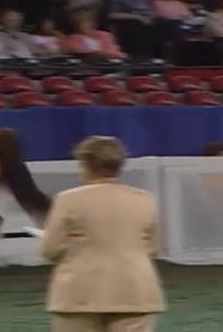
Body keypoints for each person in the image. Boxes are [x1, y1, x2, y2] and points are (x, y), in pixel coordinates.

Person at [41, 136, 166, 332]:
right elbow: (153, 248)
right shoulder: (145, 200)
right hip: (134, 290)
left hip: (80, 292)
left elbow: (49, 249)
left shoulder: (68, 199)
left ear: (85, 164)